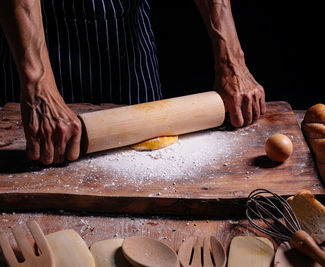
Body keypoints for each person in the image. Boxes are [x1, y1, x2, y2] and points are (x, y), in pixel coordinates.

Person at [0, 0, 266, 165]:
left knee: (151, 163)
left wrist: (232, 59)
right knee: (41, 161)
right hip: (38, 43)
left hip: (128, 37)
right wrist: (38, 86)